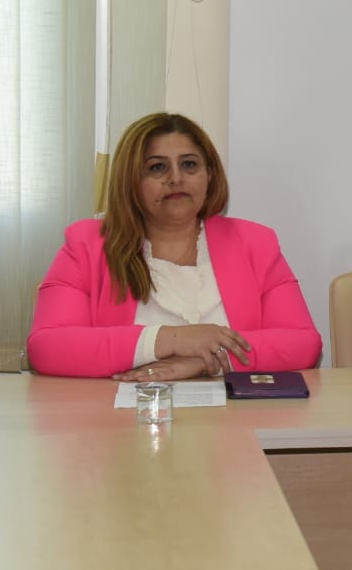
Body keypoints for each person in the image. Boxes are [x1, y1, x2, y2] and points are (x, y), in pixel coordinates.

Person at [26, 112, 320, 379]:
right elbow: (47, 347)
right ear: (131, 181)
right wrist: (174, 340)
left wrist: (205, 361)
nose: (176, 178)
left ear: (209, 175)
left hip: (234, 415)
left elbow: (303, 343)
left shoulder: (255, 243)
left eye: (189, 164)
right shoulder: (87, 246)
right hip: (126, 414)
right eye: (157, 167)